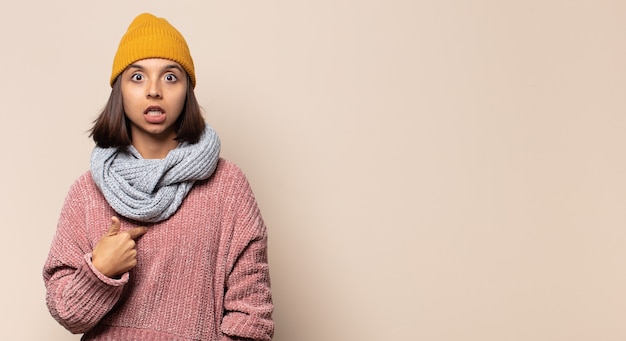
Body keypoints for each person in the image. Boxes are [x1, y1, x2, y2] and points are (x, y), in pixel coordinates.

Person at [43, 13, 274, 340]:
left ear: (187, 91)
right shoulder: (87, 192)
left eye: (170, 77)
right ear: (119, 91)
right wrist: (99, 272)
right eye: (137, 77)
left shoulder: (227, 186)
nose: (153, 91)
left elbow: (252, 317)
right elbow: (67, 313)